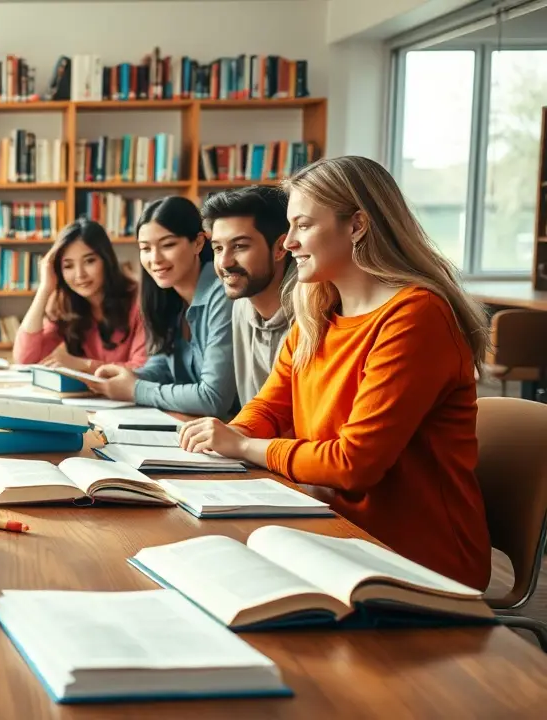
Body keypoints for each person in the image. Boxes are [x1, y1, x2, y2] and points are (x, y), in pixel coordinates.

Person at [178, 156, 491, 588]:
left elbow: (353, 464)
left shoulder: (416, 316)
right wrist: (225, 438)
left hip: (415, 561)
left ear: (357, 226)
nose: (287, 243)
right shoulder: (317, 308)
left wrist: (244, 447)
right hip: (330, 529)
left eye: (303, 226)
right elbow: (269, 407)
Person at [88, 196, 237, 419]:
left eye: (167, 245)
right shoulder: (167, 298)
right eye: (145, 248)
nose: (155, 258)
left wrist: (134, 390)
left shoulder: (223, 296)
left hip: (232, 434)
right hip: (192, 427)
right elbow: (163, 366)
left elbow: (212, 398)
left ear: (198, 242)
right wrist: (131, 377)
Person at [13, 219, 147, 373]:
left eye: (89, 261)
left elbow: (142, 369)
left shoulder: (140, 300)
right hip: (89, 396)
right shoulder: (63, 305)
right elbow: (24, 360)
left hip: (130, 396)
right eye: (68, 266)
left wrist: (85, 365)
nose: (80, 275)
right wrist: (44, 289)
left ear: (106, 260)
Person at [203, 186, 296, 405]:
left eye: (240, 246)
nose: (224, 262)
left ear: (280, 248)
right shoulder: (241, 306)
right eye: (217, 248)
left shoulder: (313, 311)